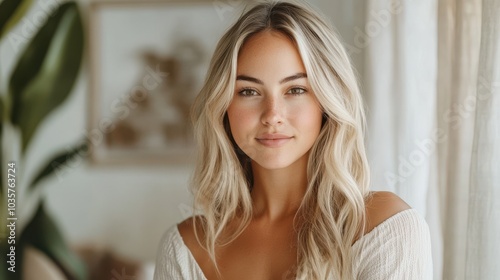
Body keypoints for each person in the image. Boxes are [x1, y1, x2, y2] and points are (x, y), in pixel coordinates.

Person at [153, 1, 433, 279]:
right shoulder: (186, 247)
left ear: (326, 101)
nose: (272, 115)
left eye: (296, 89)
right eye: (249, 92)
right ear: (223, 106)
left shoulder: (384, 228)